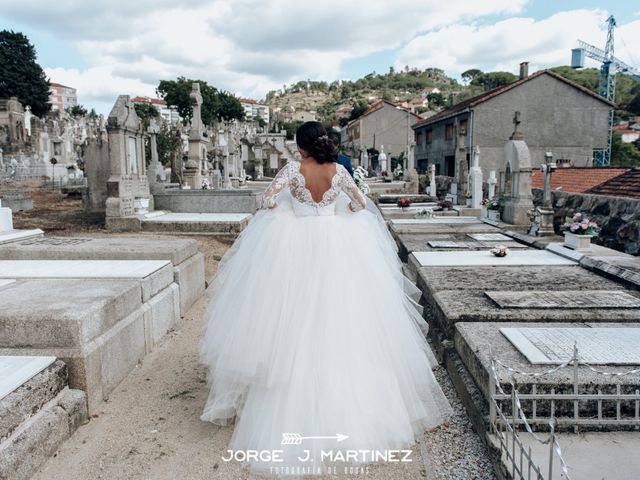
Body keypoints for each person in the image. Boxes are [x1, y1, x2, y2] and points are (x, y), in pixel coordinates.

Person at [199, 121, 450, 476]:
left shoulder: (291, 169)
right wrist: (337, 214)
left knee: (291, 320)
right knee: (343, 321)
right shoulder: (338, 170)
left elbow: (267, 199)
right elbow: (360, 204)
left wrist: (286, 208)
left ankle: (285, 401)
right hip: (336, 247)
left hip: (296, 248)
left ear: (300, 145)